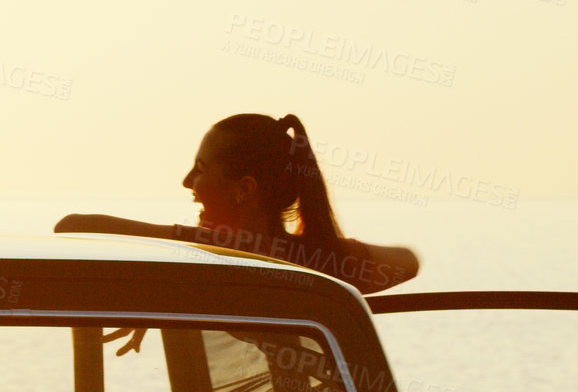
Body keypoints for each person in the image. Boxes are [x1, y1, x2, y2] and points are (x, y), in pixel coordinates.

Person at [55, 113, 419, 294]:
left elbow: (71, 227)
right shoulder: (311, 262)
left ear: (244, 190)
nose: (187, 182)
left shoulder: (207, 257)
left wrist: (199, 240)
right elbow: (407, 263)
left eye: (200, 170)